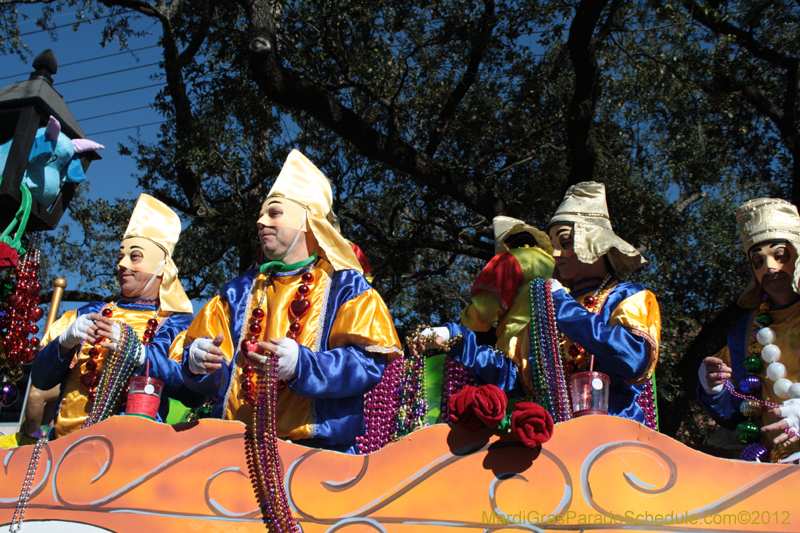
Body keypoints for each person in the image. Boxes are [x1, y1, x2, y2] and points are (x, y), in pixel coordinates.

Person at [180, 149, 402, 453]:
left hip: (322, 455)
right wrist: (199, 363)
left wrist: (303, 365)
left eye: (274, 212)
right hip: (234, 452)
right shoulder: (237, 292)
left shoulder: (346, 286)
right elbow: (216, 378)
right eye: (261, 214)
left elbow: (368, 363)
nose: (260, 221)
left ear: (308, 221)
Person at [412, 182, 660, 427]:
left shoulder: (629, 297)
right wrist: (454, 339)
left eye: (565, 243)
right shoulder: (544, 309)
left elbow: (633, 360)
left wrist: (560, 305)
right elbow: (518, 379)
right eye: (553, 246)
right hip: (554, 447)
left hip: (612, 445)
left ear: (591, 242)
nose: (556, 255)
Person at [31, 194, 198, 439]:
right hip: (64, 449)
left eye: (135, 256)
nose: (122, 264)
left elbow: (191, 391)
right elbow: (41, 379)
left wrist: (139, 353)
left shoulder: (176, 325)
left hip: (131, 453)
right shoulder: (86, 313)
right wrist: (65, 342)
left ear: (162, 267)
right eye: (120, 256)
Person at [699, 198, 800, 462]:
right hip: (772, 473)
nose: (769, 267)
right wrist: (714, 388)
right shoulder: (745, 332)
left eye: (779, 256)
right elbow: (739, 413)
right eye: (758, 261)